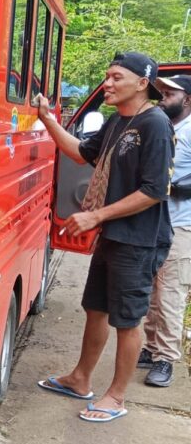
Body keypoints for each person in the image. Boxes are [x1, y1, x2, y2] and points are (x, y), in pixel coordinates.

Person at [34, 52, 174, 421]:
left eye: (116, 77)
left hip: (139, 239)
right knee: (95, 308)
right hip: (112, 235)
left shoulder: (154, 124)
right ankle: (80, 379)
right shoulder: (117, 121)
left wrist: (95, 214)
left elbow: (154, 190)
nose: (107, 84)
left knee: (127, 320)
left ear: (142, 84)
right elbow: (80, 153)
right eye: (107, 77)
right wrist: (48, 119)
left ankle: (117, 396)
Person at [139, 74, 191, 387]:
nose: (163, 96)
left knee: (171, 292)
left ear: (187, 99)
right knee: (152, 293)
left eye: (171, 93)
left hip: (180, 224)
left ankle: (166, 359)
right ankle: (150, 347)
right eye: (162, 91)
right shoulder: (164, 126)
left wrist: (173, 188)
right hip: (154, 221)